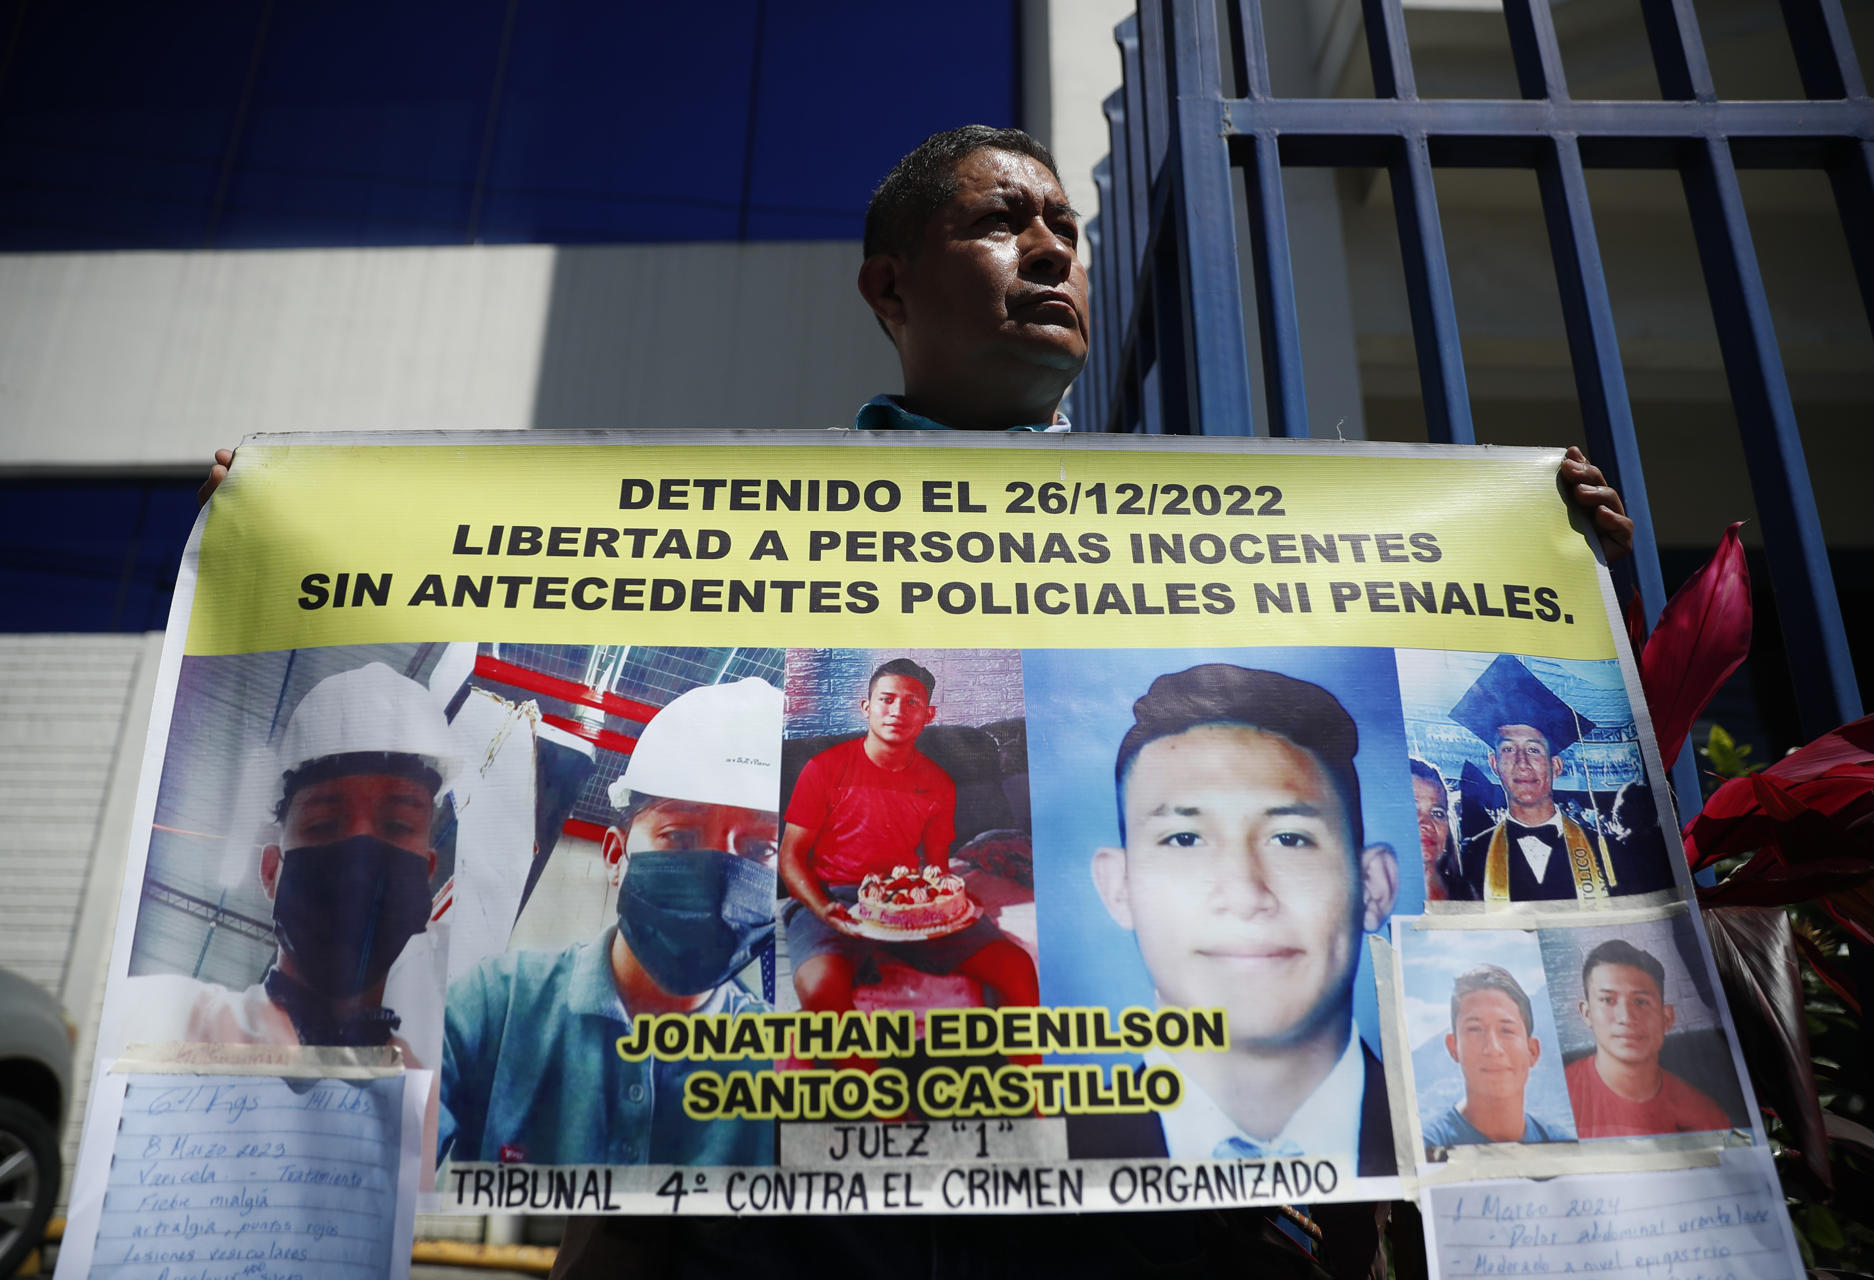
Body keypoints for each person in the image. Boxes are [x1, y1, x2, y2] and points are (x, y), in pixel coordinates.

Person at [199, 123, 1637, 1278]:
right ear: (890, 286)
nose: (1051, 249)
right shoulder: (730, 558)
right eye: (1004, 221)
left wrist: (1524, 540)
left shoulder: (1211, 543)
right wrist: (297, 532)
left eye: (1066, 229)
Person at [1066, 663, 1398, 1176]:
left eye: (1290, 839)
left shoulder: (1469, 1142)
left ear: (1373, 888)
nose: (1245, 895)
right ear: (1119, 887)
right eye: (1184, 839)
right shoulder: (1052, 1155)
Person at [437, 677, 781, 1168]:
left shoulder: (790, 1058)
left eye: (759, 848)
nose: (720, 879)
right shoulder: (496, 1005)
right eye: (680, 837)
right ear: (616, 856)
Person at [121, 662, 456, 1057]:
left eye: (397, 824)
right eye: (325, 823)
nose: (360, 862)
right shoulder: (159, 1022)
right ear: (270, 870)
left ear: (428, 875)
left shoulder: (435, 1090)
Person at [780, 658, 1038, 1034]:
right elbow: (790, 857)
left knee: (1016, 968)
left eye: (912, 703)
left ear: (928, 714)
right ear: (866, 707)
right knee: (821, 991)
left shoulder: (938, 783)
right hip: (830, 897)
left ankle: (1025, 1091)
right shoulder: (823, 768)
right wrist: (824, 908)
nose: (898, 711)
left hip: (905, 901)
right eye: (886, 700)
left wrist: (951, 905)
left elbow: (936, 870)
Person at [1450, 654, 1671, 902]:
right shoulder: (1469, 857)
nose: (1522, 763)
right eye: (1508, 749)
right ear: (1494, 764)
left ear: (1555, 765)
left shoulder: (1609, 853)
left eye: (1534, 750)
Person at [1564, 939, 1731, 1139]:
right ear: (1587, 1013)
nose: (1626, 1017)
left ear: (1666, 1017)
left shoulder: (1706, 1116)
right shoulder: (1559, 1099)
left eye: (1641, 1002)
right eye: (1608, 1000)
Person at [1422, 964, 1571, 1149]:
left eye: (1506, 1030)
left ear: (1532, 1051)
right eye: (1475, 1029)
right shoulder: (1427, 1149)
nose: (1492, 1048)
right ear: (1453, 1047)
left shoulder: (1562, 1145)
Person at [1411, 757, 1472, 901]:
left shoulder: (1469, 893)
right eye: (1413, 809)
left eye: (1437, 813)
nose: (1427, 823)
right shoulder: (1376, 897)